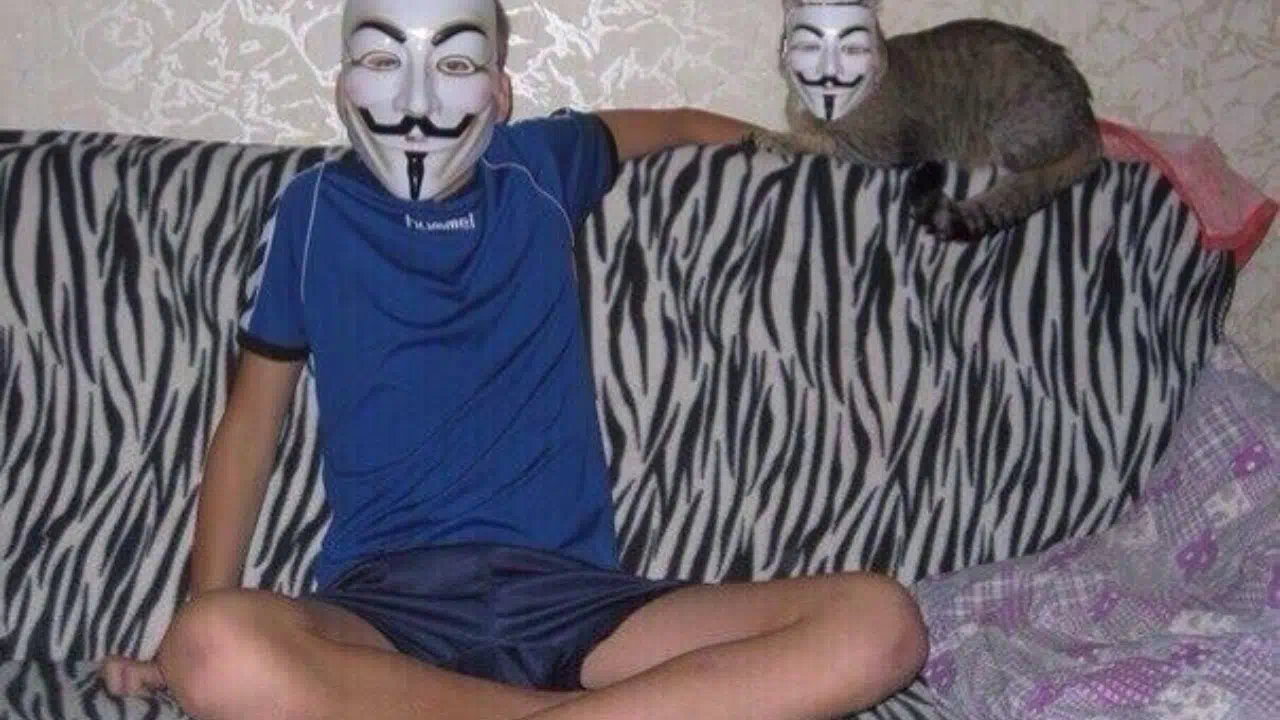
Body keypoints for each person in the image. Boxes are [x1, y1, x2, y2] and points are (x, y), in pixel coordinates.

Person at [100, 0, 928, 717]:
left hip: (576, 604)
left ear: (500, 92)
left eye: (456, 65)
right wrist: (181, 633)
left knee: (881, 623)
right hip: (385, 616)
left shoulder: (537, 165)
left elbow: (675, 123)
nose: (417, 101)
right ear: (342, 86)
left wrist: (798, 150)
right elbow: (250, 424)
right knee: (212, 646)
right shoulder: (312, 210)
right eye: (382, 62)